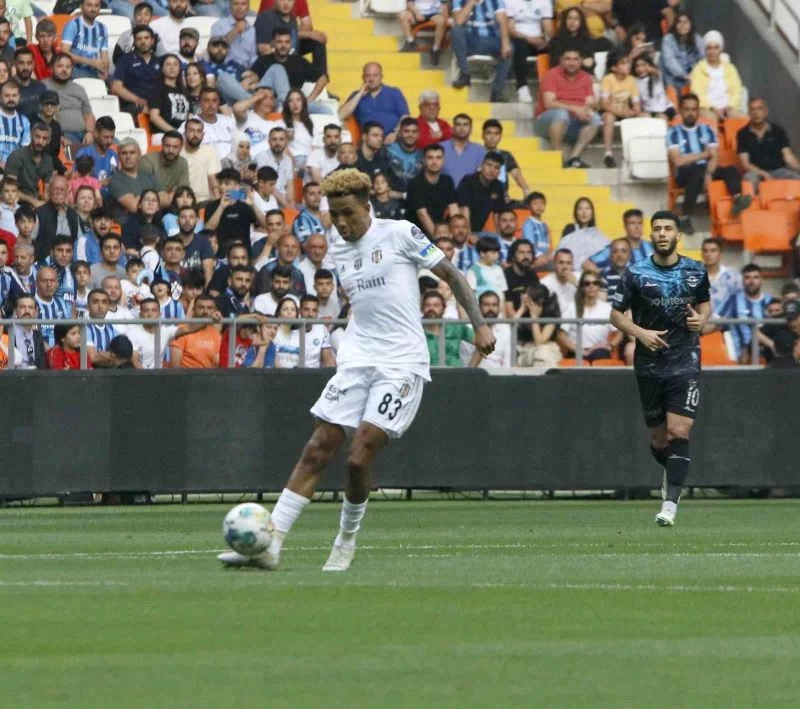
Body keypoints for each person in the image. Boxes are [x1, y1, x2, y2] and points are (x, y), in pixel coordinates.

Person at [218, 168, 495, 571]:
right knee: (317, 449)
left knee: (357, 456)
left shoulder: (400, 232)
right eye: (336, 214)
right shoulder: (337, 244)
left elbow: (450, 273)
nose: (342, 223)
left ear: (367, 207)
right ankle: (269, 544)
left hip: (401, 362)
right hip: (357, 358)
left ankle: (345, 541)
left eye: (349, 213)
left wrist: (480, 324)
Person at [610, 209, 711, 527]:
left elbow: (705, 303)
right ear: (651, 236)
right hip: (649, 364)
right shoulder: (635, 273)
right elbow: (616, 314)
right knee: (659, 440)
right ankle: (670, 470)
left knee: (679, 430)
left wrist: (702, 320)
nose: (663, 233)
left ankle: (670, 504)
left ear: (678, 235)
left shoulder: (696, 270)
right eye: (658, 229)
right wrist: (640, 333)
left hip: (685, 361)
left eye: (669, 228)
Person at [667, 93, 751, 236]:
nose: (690, 113)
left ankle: (737, 199)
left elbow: (715, 156)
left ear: (698, 111)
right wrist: (703, 155)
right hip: (684, 173)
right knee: (695, 172)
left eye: (694, 110)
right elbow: (678, 161)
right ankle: (684, 217)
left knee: (730, 169)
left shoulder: (707, 130)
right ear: (680, 111)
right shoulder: (673, 132)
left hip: (706, 170)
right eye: (687, 110)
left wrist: (709, 173)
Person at [535, 48, 602, 168]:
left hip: (571, 123)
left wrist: (587, 110)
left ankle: (573, 158)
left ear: (581, 61)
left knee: (595, 118)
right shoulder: (551, 75)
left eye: (575, 59)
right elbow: (549, 103)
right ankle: (558, 156)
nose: (571, 63)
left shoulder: (586, 78)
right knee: (561, 114)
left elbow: (590, 102)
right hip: (546, 123)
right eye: (567, 59)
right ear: (561, 60)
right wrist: (575, 109)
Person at [450, 0, 512, 103]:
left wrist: (505, 43)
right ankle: (465, 74)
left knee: (510, 48)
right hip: (471, 40)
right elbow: (458, 21)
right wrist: (470, 3)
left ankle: (497, 92)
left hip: (491, 39)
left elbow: (502, 21)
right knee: (456, 31)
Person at [737, 97, 800, 192]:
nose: (756, 113)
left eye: (759, 109)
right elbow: (745, 163)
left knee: (796, 178)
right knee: (749, 181)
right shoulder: (743, 134)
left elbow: (788, 157)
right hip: (755, 172)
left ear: (766, 111)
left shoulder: (778, 130)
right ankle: (752, 206)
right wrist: (763, 174)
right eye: (752, 109)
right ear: (749, 113)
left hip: (778, 170)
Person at [338, 62, 409, 143]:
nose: (371, 79)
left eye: (375, 75)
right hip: (367, 144)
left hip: (393, 142)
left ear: (381, 77)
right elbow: (341, 115)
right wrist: (360, 93)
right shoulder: (356, 95)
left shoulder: (394, 92)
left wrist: (395, 133)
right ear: (363, 78)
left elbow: (405, 116)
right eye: (367, 76)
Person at [558, 270, 621, 361]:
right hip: (576, 351)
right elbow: (561, 335)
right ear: (582, 287)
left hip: (600, 351)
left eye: (595, 283)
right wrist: (580, 350)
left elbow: (619, 332)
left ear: (599, 287)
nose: (591, 286)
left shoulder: (607, 308)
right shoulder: (572, 307)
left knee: (600, 357)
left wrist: (610, 345)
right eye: (587, 283)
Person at [719, 263, 772, 364]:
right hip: (741, 358)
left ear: (762, 280)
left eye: (755, 277)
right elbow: (716, 321)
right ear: (742, 281)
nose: (751, 281)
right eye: (747, 277)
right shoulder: (733, 301)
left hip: (767, 357)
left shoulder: (770, 301)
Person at [689, 30, 744, 126]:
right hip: (707, 109)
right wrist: (713, 109)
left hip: (728, 108)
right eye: (709, 48)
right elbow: (697, 95)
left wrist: (729, 107)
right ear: (705, 50)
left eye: (716, 47)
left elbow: (737, 91)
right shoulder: (698, 69)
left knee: (744, 119)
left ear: (721, 49)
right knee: (711, 118)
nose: (713, 51)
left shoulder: (730, 68)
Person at [600, 48, 641, 168]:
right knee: (609, 117)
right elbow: (604, 104)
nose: (628, 65)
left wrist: (633, 112)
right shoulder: (608, 79)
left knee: (645, 116)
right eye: (623, 63)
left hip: (626, 112)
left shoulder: (632, 80)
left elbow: (636, 105)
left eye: (628, 62)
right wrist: (622, 113)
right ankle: (608, 154)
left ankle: (637, 153)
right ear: (614, 68)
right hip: (610, 111)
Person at [405, 143, 458, 236]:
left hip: (440, 231)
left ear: (443, 160)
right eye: (430, 158)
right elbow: (422, 215)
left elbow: (453, 209)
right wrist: (438, 238)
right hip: (416, 235)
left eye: (438, 158)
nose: (434, 161)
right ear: (424, 160)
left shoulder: (447, 181)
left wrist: (456, 233)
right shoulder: (415, 183)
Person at [506, 0, 553, 103]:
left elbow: (548, 27)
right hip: (519, 38)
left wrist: (545, 40)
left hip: (539, 39)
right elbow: (511, 30)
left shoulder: (545, 2)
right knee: (520, 47)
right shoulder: (510, 1)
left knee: (556, 48)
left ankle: (554, 88)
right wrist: (531, 39)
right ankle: (522, 87)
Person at [43, 53, 95, 145]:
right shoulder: (43, 86)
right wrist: (57, 136)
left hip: (84, 133)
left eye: (68, 67)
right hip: (62, 135)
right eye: (60, 66)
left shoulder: (79, 88)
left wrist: (90, 133)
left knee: (113, 142)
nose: (64, 70)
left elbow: (88, 114)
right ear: (51, 68)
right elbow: (41, 116)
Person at [107, 138, 161, 225]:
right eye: (124, 153)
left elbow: (164, 200)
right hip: (128, 228)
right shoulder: (115, 180)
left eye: (132, 152)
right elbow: (134, 207)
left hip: (152, 225)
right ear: (119, 157)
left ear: (139, 155)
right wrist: (153, 199)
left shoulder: (150, 177)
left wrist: (140, 199)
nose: (128, 157)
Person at [111, 24, 159, 120]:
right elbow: (116, 87)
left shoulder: (159, 61)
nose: (143, 41)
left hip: (155, 104)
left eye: (146, 38)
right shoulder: (125, 60)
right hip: (132, 104)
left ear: (152, 41)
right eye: (139, 39)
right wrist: (137, 99)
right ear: (134, 42)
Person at [4, 121, 54, 206]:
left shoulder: (48, 160)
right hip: (15, 201)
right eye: (37, 137)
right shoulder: (16, 156)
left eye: (44, 138)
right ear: (31, 135)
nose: (40, 142)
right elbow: (10, 189)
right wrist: (34, 202)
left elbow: (47, 188)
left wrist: (47, 199)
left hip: (36, 199)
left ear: (49, 141)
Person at [457, 151, 506, 233]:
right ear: (482, 166)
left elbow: (497, 214)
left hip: (478, 231)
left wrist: (500, 237)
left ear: (499, 172)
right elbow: (464, 209)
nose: (491, 170)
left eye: (496, 167)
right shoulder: (468, 181)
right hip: (458, 229)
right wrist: (468, 234)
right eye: (489, 165)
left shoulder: (498, 186)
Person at [169, 293, 222, 368]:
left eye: (209, 308)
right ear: (193, 310)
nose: (205, 312)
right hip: (186, 377)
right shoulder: (182, 330)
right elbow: (174, 366)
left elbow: (216, 364)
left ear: (215, 311)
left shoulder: (215, 334)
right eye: (201, 308)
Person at [182, 87, 236, 161]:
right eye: (206, 101)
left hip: (232, 166)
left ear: (219, 103)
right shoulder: (189, 124)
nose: (211, 104)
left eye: (214, 100)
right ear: (199, 103)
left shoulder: (229, 121)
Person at [33, 175, 78, 260]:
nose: (58, 192)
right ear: (49, 191)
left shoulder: (73, 214)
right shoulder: (39, 213)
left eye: (62, 190)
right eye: (55, 189)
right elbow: (31, 240)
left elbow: (76, 241)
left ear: (67, 193)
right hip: (44, 263)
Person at [61, 0, 109, 80]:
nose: (93, 9)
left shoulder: (102, 28)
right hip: (75, 69)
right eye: (89, 5)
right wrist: (90, 62)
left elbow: (105, 58)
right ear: (81, 7)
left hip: (95, 70)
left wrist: (104, 69)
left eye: (96, 6)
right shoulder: (73, 25)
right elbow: (64, 52)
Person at [482, 119, 529, 199]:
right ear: (483, 135)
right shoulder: (475, 154)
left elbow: (517, 175)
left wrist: (526, 189)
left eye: (496, 134)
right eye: (489, 133)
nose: (492, 137)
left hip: (502, 197)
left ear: (500, 136)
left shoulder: (505, 156)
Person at [140, 130, 190, 204]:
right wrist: (173, 191)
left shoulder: (183, 162)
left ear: (181, 147)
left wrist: (174, 193)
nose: (171, 150)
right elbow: (147, 193)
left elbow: (183, 191)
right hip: (149, 205)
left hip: (173, 205)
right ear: (162, 145)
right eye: (167, 146)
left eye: (175, 147)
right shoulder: (147, 161)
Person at [660, 11, 704, 91]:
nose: (682, 25)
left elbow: (704, 58)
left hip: (692, 77)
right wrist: (685, 76)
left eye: (685, 22)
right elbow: (670, 62)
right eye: (679, 22)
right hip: (673, 78)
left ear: (690, 24)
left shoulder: (697, 38)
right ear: (675, 25)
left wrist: (695, 74)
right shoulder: (668, 39)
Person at [181, 117, 221, 203]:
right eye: (191, 131)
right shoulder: (178, 152)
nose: (195, 134)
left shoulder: (209, 151)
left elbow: (213, 179)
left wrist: (218, 202)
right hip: (183, 200)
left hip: (204, 201)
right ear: (184, 133)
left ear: (203, 135)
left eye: (199, 131)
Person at [549, 6, 600, 73]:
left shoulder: (587, 40)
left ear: (581, 22)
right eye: (569, 18)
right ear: (564, 21)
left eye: (576, 19)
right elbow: (555, 64)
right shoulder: (555, 41)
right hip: (562, 77)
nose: (572, 22)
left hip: (583, 76)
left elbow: (590, 64)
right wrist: (581, 62)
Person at [700, 237, 741, 322]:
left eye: (713, 250)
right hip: (700, 326)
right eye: (705, 251)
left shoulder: (734, 277)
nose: (708, 254)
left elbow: (738, 303)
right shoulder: (694, 276)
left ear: (720, 254)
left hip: (727, 326)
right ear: (702, 254)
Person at [211, 0, 257, 73]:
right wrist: (235, 30)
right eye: (236, 4)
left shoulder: (252, 30)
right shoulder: (219, 25)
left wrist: (251, 74)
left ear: (248, 7)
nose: (239, 7)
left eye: (243, 4)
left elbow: (253, 58)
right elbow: (216, 50)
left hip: (245, 72)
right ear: (230, 6)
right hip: (224, 69)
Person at [398, 0, 448, 65]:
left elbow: (443, 4)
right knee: (402, 15)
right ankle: (410, 41)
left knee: (441, 20)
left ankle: (435, 49)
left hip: (434, 14)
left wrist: (446, 18)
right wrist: (417, 13)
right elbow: (409, 4)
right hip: (418, 12)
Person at [441, 113, 484, 187]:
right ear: (453, 128)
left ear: (471, 129)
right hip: (444, 194)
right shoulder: (441, 147)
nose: (462, 128)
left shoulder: (479, 150)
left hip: (470, 195)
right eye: (458, 124)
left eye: (465, 125)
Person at [74, 115, 118, 186]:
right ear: (96, 133)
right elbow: (76, 183)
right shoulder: (84, 154)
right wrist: (100, 183)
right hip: (90, 196)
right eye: (106, 137)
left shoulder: (114, 155)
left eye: (112, 137)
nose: (109, 141)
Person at [386, 117, 423, 192]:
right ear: (399, 133)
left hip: (414, 197)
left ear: (418, 135)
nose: (410, 135)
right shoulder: (388, 151)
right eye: (406, 131)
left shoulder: (422, 155)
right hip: (391, 197)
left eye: (414, 132)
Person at [9, 293, 46, 368]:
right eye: (22, 307)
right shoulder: (8, 334)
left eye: (30, 307)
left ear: (35, 312)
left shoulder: (38, 336)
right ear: (15, 311)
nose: (27, 311)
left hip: (35, 378)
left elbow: (42, 365)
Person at [0, 80, 30, 170]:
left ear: (19, 97)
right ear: (0, 97)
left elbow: (26, 150)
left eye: (14, 95)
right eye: (7, 96)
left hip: (16, 169)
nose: (11, 99)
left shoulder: (24, 121)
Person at [541, 247, 576, 314]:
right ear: (554, 264)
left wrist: (576, 284)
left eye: (568, 263)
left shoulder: (579, 278)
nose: (565, 267)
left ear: (572, 265)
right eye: (561, 262)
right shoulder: (545, 283)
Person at [14, 47, 45, 123]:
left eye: (29, 63)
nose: (25, 67)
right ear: (15, 64)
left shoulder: (41, 86)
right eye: (21, 63)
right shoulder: (7, 87)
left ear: (33, 64)